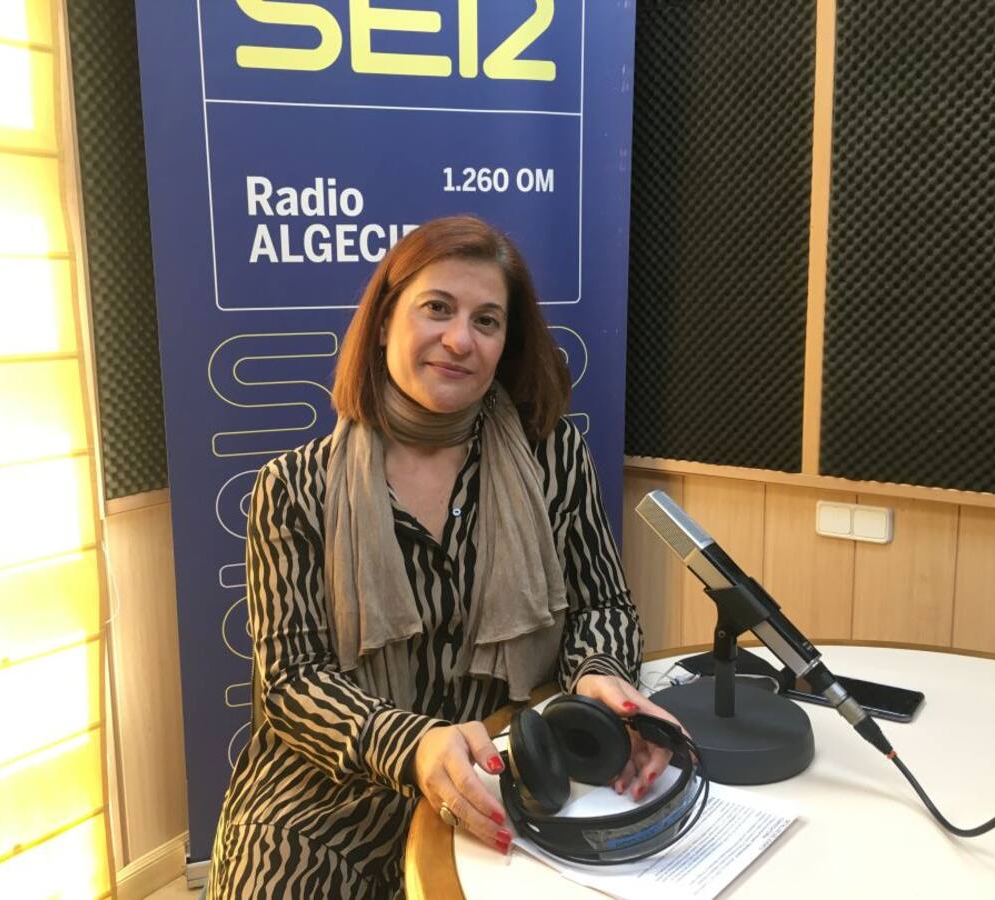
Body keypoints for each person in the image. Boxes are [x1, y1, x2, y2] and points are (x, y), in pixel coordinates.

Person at [206, 215, 684, 899]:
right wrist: (411, 744)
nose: (460, 340)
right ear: (383, 322)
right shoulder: (293, 487)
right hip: (330, 794)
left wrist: (599, 672)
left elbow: (600, 602)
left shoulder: (553, 456)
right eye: (437, 308)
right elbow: (291, 680)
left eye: (487, 321)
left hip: (503, 772)